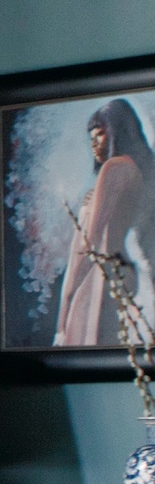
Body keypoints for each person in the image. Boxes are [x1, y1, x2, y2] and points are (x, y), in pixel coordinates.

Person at [56, 99, 155, 347]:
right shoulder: (138, 171)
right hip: (121, 276)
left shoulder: (114, 167)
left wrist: (66, 300)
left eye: (100, 134)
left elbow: (88, 244)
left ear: (117, 132)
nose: (93, 144)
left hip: (97, 280)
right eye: (92, 136)